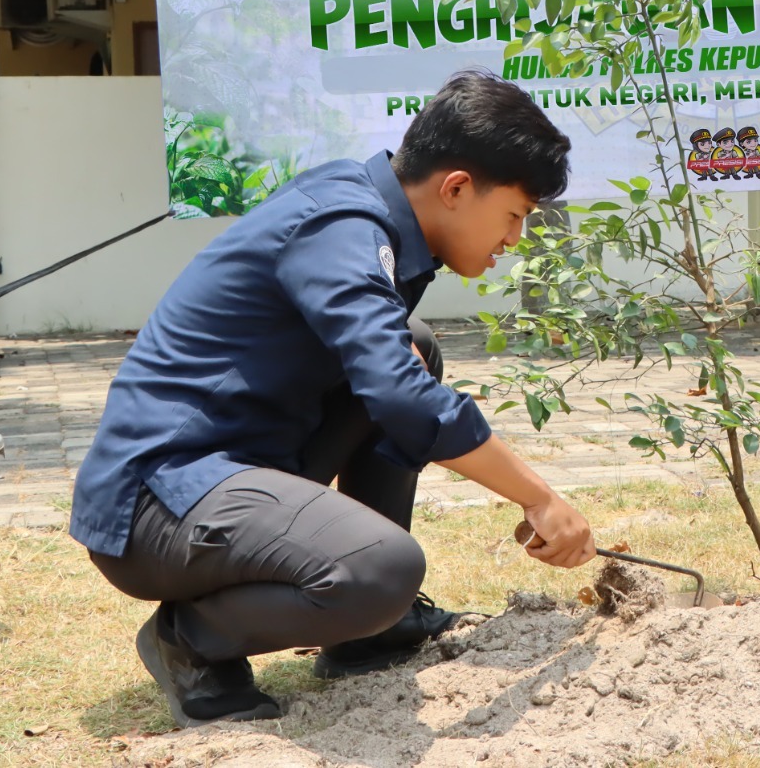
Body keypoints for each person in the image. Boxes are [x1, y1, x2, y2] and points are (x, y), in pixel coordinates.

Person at [70, 70, 597, 726]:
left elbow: (396, 375)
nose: (514, 240)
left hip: (231, 473)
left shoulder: (370, 220)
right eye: (514, 216)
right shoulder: (341, 225)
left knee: (414, 346)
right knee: (382, 568)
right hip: (158, 501)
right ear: (458, 188)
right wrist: (539, 497)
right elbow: (400, 397)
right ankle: (191, 641)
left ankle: (368, 632)